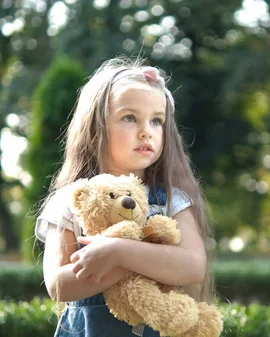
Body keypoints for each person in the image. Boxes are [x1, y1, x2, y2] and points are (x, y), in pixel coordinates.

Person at [35, 56, 215, 337]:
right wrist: (131, 261)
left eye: (157, 121)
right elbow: (59, 285)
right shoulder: (70, 200)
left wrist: (118, 253)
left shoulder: (172, 199)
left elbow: (193, 266)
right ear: (96, 128)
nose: (147, 131)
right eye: (130, 118)